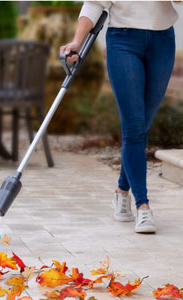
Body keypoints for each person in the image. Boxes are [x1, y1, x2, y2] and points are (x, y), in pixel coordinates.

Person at [60, 1, 179, 233]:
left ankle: (122, 191)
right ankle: (143, 206)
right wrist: (77, 41)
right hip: (123, 42)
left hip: (163, 41)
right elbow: (94, 4)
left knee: (143, 125)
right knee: (134, 126)